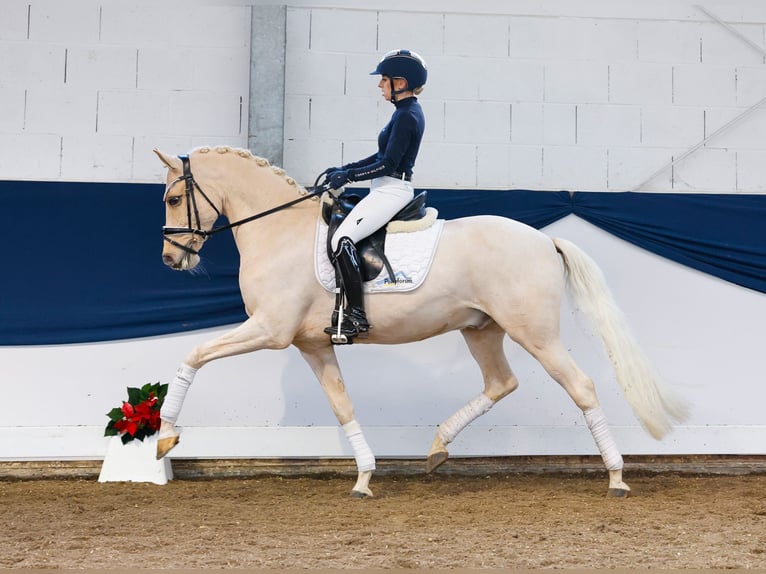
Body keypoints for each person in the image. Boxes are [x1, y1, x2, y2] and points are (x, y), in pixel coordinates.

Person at [323, 49, 428, 343]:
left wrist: (350, 177)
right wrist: (347, 168)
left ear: (401, 82)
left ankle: (356, 315)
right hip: (384, 186)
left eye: (384, 81)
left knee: (342, 240)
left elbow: (388, 165)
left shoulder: (408, 116)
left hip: (392, 189)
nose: (379, 86)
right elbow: (380, 155)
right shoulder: (402, 113)